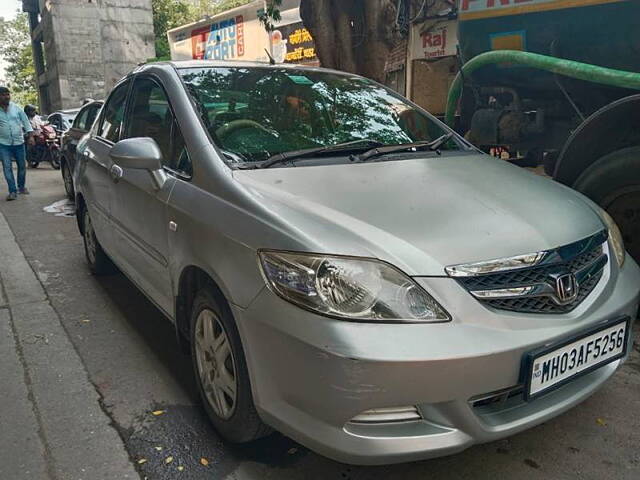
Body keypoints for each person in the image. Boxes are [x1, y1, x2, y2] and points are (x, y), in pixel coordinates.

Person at [0, 86, 34, 201]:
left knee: (22, 166)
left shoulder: (16, 108)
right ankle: (12, 191)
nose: (6, 97)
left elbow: (25, 121)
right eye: (3, 95)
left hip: (19, 143)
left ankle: (21, 187)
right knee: (7, 168)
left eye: (7, 94)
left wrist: (31, 136)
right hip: (4, 144)